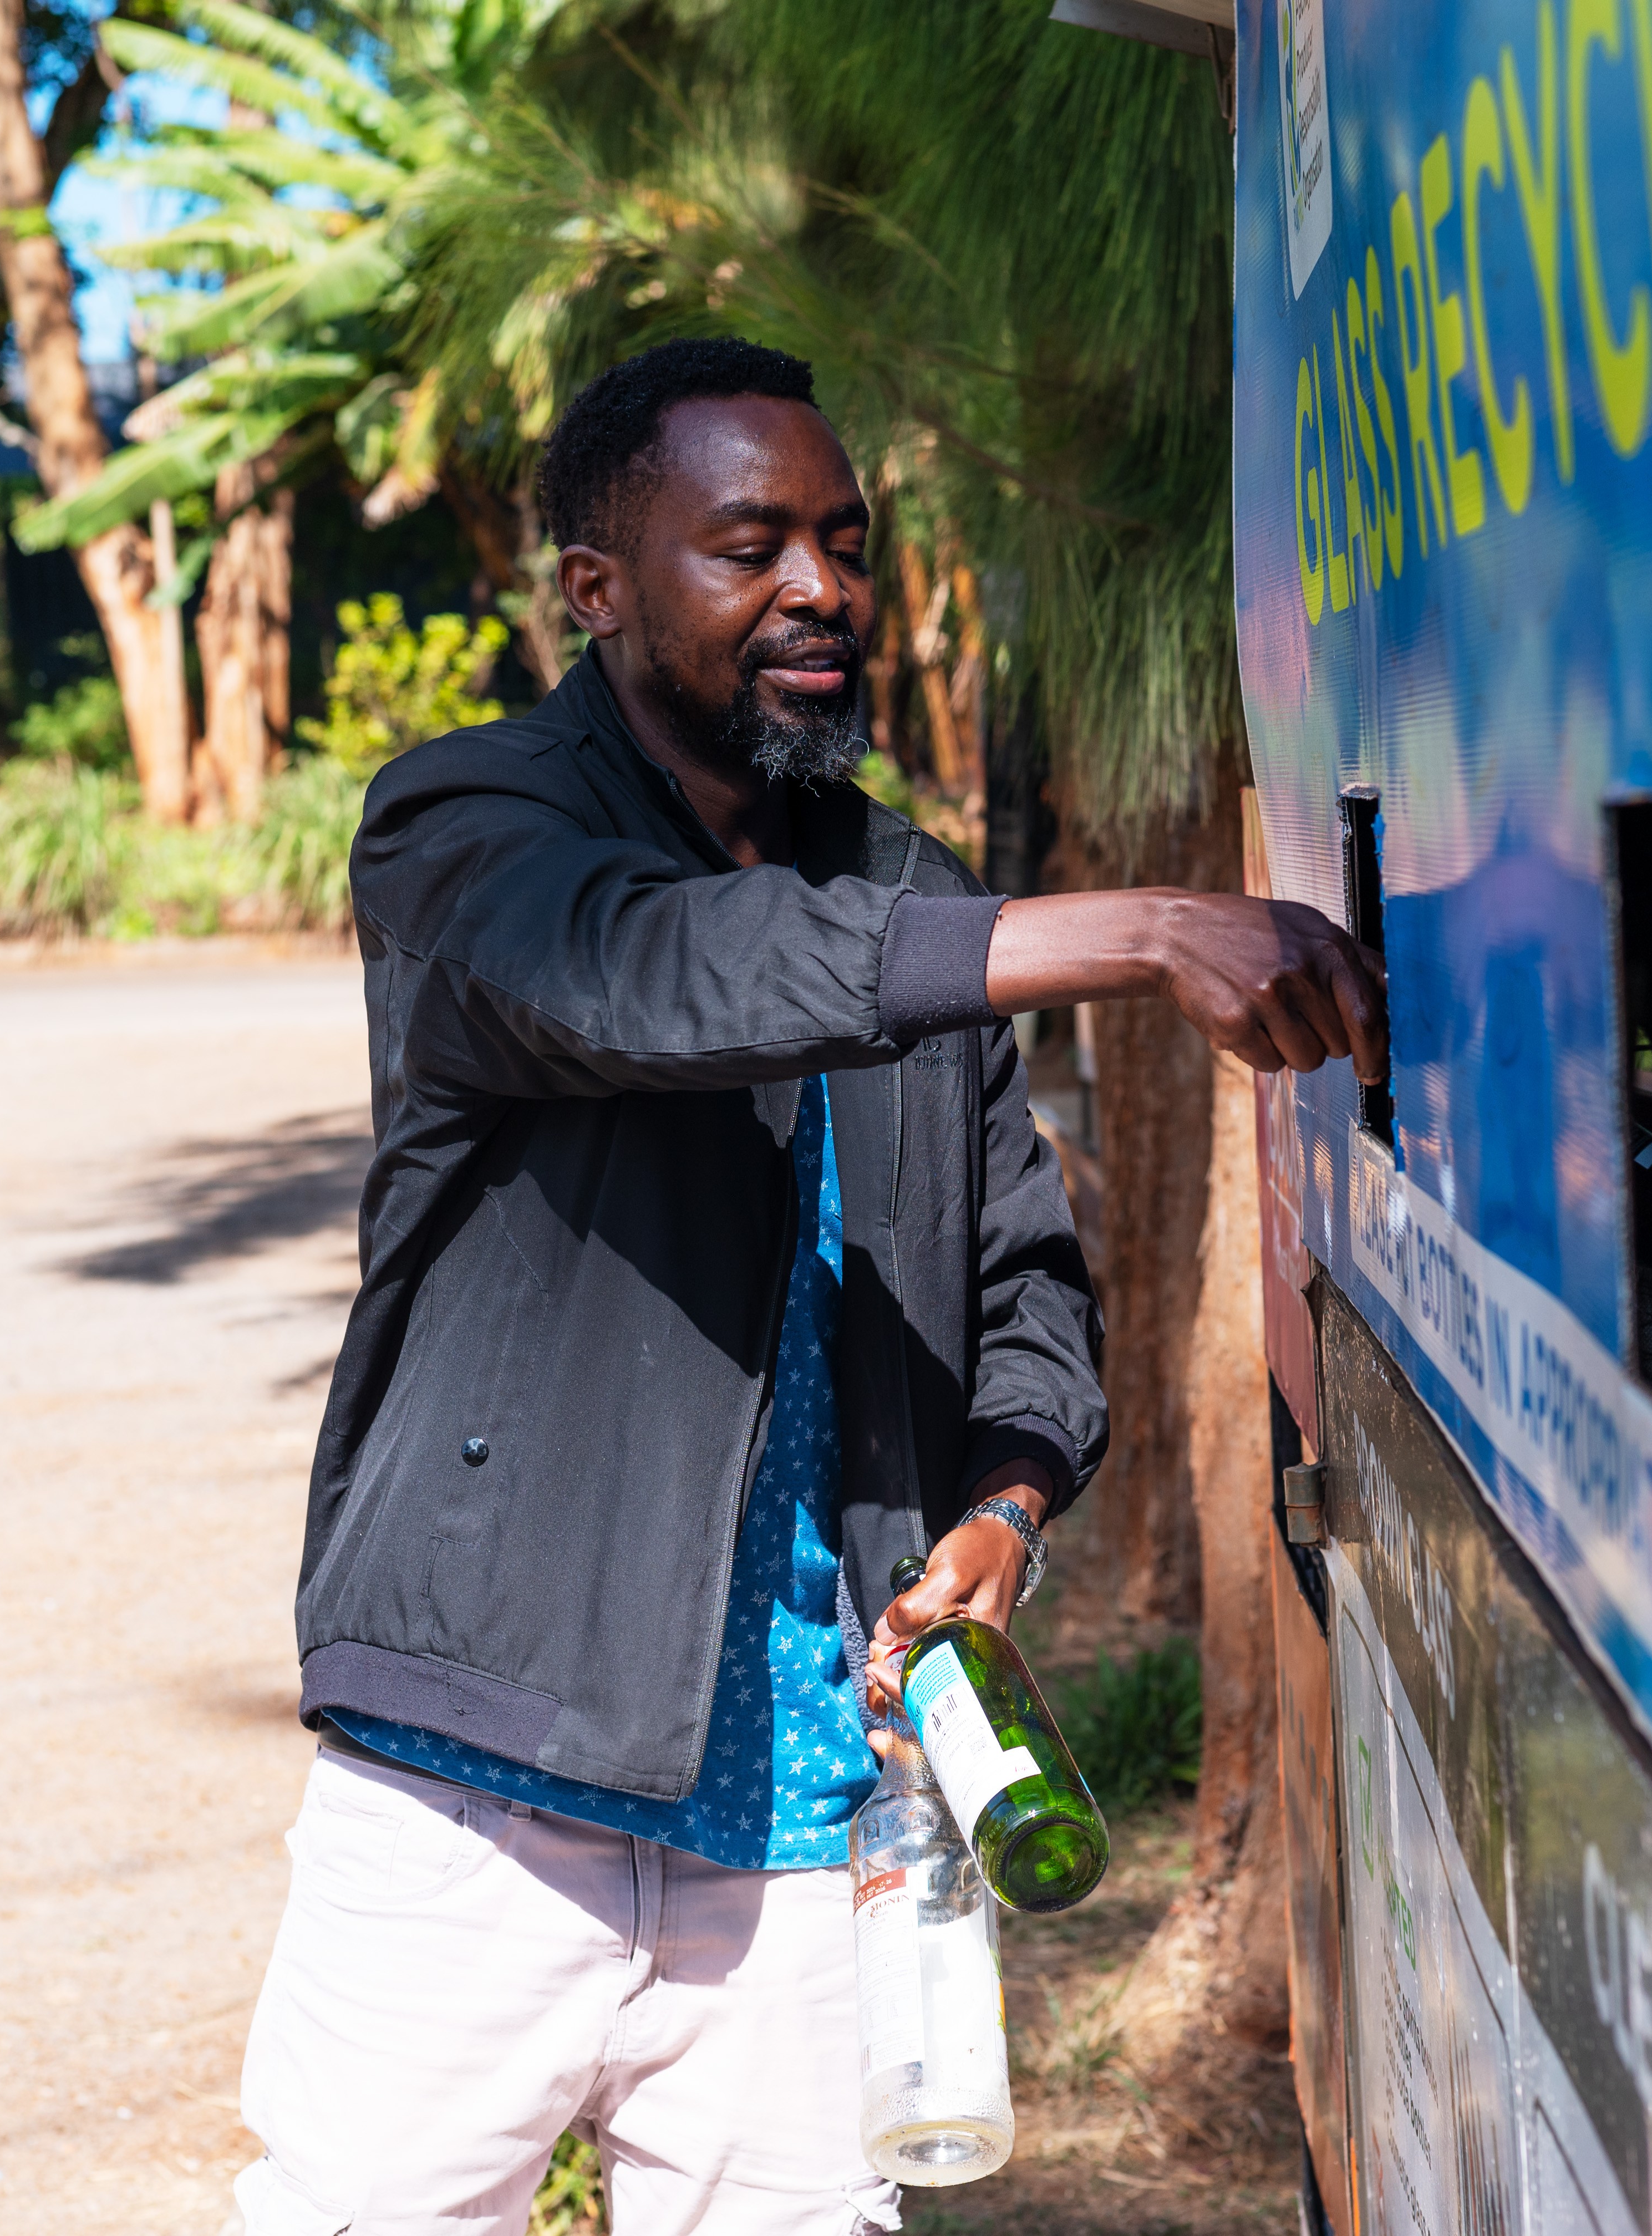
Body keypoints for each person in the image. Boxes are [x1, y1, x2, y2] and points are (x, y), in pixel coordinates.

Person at [232, 337, 1385, 2236]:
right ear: (598, 588)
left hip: (814, 1812)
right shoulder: (467, 832)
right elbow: (665, 977)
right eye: (749, 543)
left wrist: (1007, 1505)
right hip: (483, 1785)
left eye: (845, 542)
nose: (820, 588)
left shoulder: (914, 891)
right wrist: (1136, 926)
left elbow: (1025, 1287)